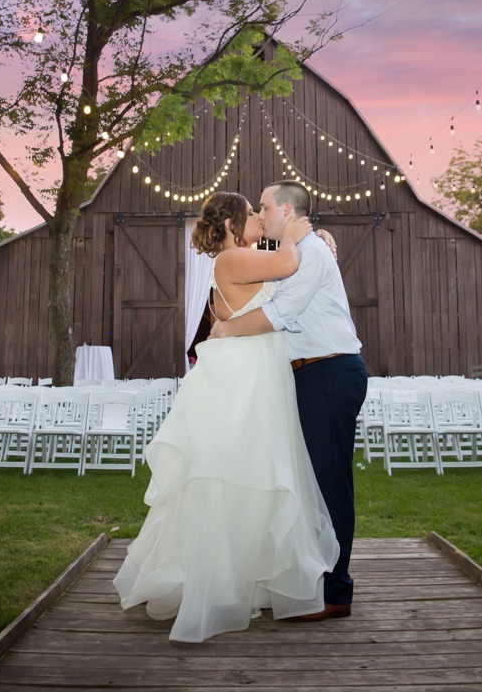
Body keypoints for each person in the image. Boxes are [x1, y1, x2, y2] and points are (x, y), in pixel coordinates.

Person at [113, 191, 339, 643]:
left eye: (262, 211)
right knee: (237, 472)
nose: (260, 217)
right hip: (245, 379)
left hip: (258, 374)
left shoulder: (244, 255)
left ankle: (250, 574)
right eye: (252, 213)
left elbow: (276, 263)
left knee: (255, 472)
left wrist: (306, 238)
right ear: (237, 222)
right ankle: (225, 580)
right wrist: (302, 234)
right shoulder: (233, 260)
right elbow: (289, 261)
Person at [210, 180, 368, 622]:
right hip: (309, 374)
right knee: (310, 483)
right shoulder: (297, 252)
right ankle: (313, 579)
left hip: (330, 371)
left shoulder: (311, 252)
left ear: (284, 209)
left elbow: (280, 314)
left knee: (330, 483)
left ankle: (336, 592)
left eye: (263, 207)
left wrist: (223, 333)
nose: (260, 216)